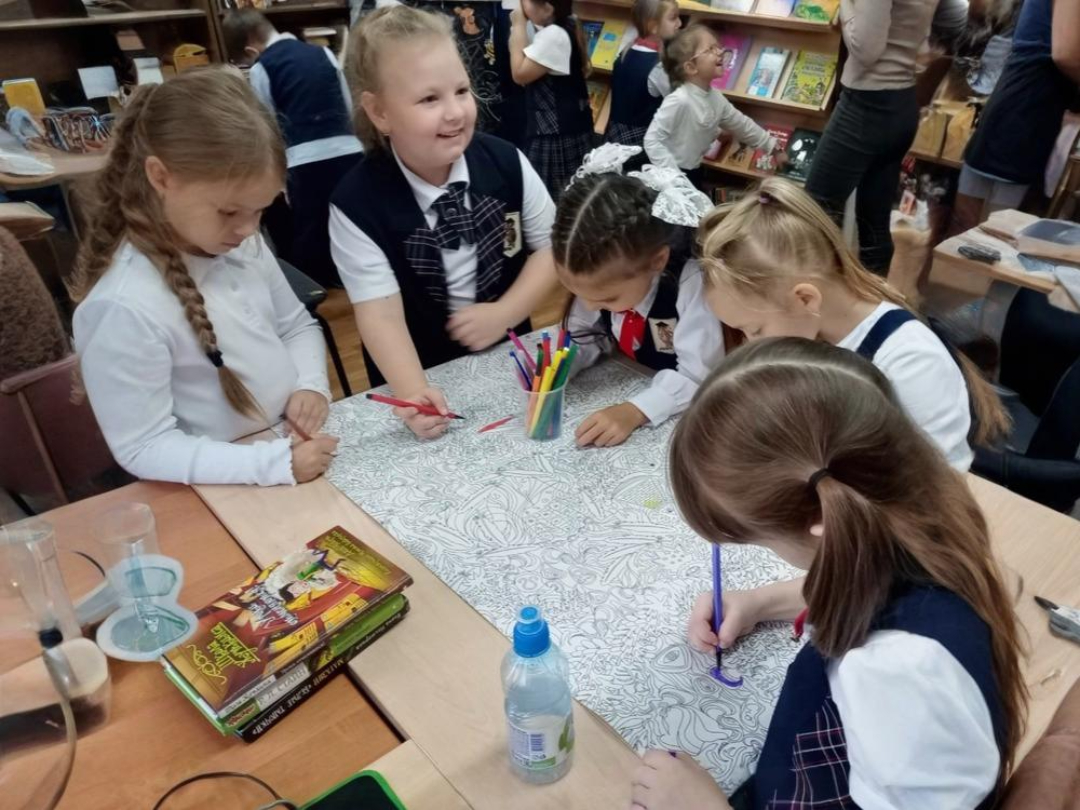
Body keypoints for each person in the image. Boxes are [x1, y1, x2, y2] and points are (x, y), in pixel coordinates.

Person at [631, 336, 1027, 810]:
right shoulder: (923, 518)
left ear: (824, 522)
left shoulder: (895, 671)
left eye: (759, 539)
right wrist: (761, 602)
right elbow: (869, 572)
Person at [71, 69, 338, 487]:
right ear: (161, 177)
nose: (248, 229)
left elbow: (296, 326)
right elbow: (143, 446)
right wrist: (270, 465)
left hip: (281, 450)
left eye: (260, 210)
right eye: (229, 212)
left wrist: (310, 385)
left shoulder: (241, 243)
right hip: (222, 483)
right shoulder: (122, 306)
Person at [330, 5, 557, 439]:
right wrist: (413, 394)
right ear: (379, 112)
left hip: (512, 367)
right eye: (429, 99)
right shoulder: (355, 204)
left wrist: (508, 311)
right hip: (419, 376)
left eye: (461, 90)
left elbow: (552, 247)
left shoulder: (507, 162)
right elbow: (380, 316)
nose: (455, 112)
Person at [697, 176, 1009, 471]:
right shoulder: (814, 336)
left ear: (805, 299)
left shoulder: (910, 363)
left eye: (755, 330)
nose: (750, 344)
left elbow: (935, 480)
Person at [555, 146, 723, 447]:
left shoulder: (690, 284)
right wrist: (562, 365)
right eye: (577, 293)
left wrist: (636, 410)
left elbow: (699, 376)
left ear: (657, 261)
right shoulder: (604, 282)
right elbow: (585, 334)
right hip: (635, 372)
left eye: (607, 299)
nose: (589, 305)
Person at [804, 0, 969, 275]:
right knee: (874, 221)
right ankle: (873, 297)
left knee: (813, 214)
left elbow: (865, 50)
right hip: (902, 101)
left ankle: (824, 296)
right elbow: (955, 20)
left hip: (865, 105)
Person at [222, 9, 363, 289]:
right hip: (348, 150)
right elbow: (347, 103)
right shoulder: (323, 53)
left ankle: (315, 285)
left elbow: (268, 124)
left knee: (311, 227)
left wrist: (279, 173)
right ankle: (354, 273)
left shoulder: (262, 67)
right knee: (352, 216)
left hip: (304, 159)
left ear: (251, 49)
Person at [953, 0, 1080, 232]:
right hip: (1028, 111)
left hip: (1019, 104)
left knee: (971, 228)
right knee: (993, 233)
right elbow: (1067, 55)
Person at [644, 25, 784, 188]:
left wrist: (773, 148)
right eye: (710, 49)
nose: (720, 52)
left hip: (694, 171)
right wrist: (674, 177)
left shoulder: (716, 98)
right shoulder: (679, 99)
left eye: (718, 47)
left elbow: (741, 124)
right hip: (670, 176)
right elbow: (652, 140)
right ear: (691, 67)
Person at [508, 0, 595, 198]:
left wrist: (518, 25)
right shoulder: (563, 25)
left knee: (553, 197)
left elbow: (519, 74)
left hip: (556, 135)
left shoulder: (554, 35)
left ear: (548, 8)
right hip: (565, 128)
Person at [604, 0, 682, 152]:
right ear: (653, 26)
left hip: (614, 136)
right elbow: (681, 102)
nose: (679, 23)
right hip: (641, 143)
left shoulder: (624, 53)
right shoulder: (658, 67)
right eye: (673, 18)